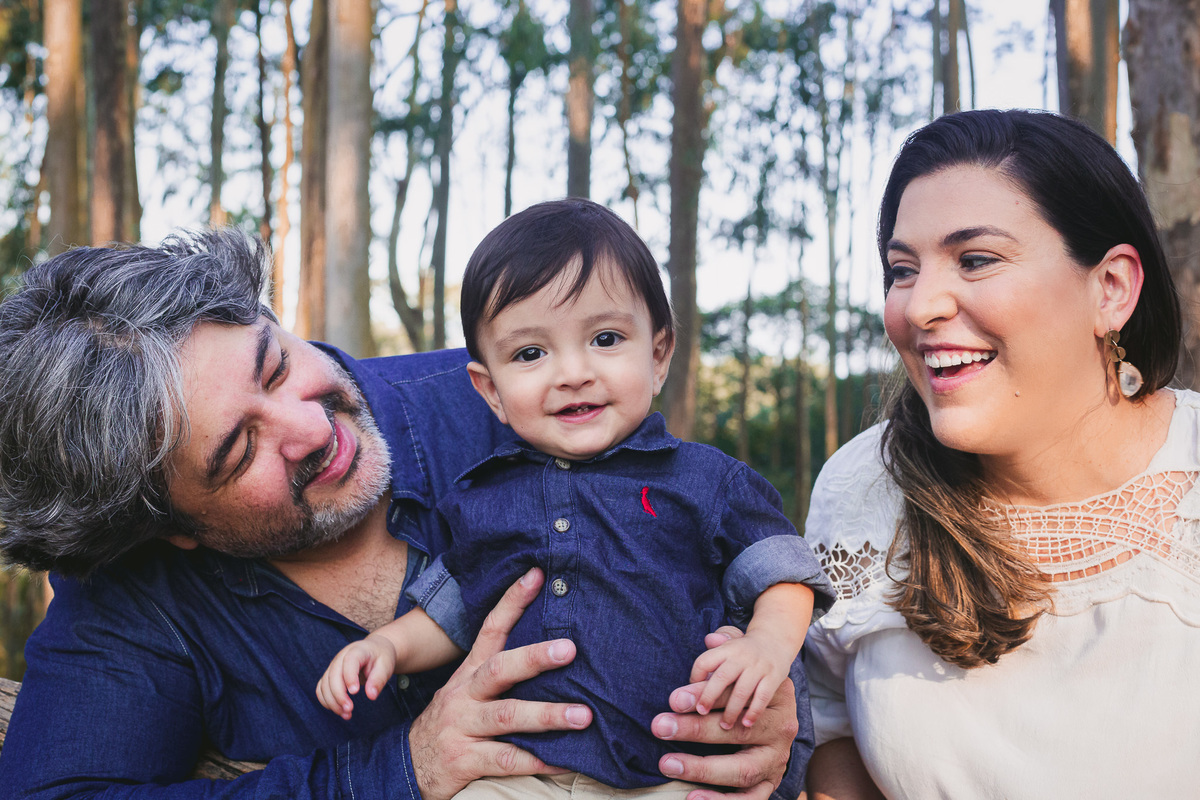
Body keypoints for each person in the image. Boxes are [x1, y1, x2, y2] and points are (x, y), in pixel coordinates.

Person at [0, 229, 806, 799]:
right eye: (238, 451)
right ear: (173, 526)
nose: (312, 429)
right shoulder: (131, 593)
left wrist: (775, 730)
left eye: (277, 366)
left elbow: (731, 571)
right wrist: (393, 775)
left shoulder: (520, 397)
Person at [314, 199, 835, 798]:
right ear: (491, 392)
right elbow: (452, 612)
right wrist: (386, 646)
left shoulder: (702, 479)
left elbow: (782, 575)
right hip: (525, 774)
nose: (572, 372)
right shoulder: (484, 496)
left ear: (659, 354)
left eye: (606, 338)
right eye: (530, 354)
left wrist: (768, 645)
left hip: (670, 766)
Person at [802, 108, 1198, 799]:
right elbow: (828, 734)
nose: (920, 305)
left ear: (1110, 289)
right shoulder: (863, 490)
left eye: (976, 259)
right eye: (902, 269)